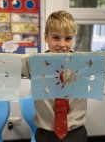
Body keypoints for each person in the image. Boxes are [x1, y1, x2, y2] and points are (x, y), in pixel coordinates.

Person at [22, 10, 88, 142]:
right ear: (46, 37)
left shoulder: (84, 62)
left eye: (68, 38)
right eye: (56, 38)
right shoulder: (33, 63)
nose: (62, 45)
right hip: (46, 134)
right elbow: (3, 66)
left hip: (76, 133)